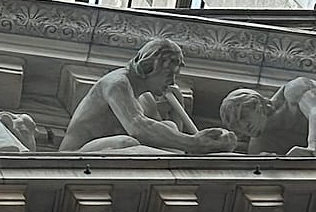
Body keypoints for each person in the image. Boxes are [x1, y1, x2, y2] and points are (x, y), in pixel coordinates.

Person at [58, 38, 235, 154]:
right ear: (150, 67)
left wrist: (177, 116)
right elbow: (139, 129)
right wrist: (194, 143)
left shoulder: (146, 99)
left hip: (110, 153)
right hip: (76, 157)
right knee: (126, 143)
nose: (172, 82)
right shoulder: (117, 83)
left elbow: (166, 137)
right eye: (168, 74)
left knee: (168, 125)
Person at [219, 80, 316, 156]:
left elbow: (314, 110)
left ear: (257, 105)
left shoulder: (292, 91)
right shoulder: (260, 145)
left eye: (248, 125)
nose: (248, 133)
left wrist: (313, 146)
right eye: (243, 131)